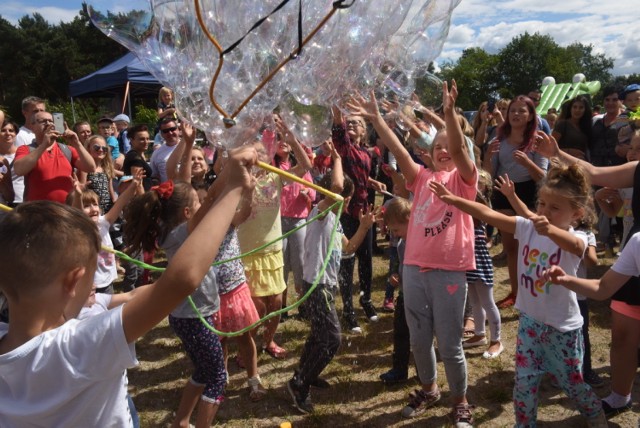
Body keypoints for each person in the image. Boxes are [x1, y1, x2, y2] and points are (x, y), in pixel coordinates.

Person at [0, 144, 257, 426]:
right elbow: (180, 280)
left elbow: (144, 292)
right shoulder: (79, 347)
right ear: (74, 281)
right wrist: (233, 187)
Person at [430, 162, 607, 428]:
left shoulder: (577, 238)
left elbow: (575, 246)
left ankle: (595, 414)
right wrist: (454, 199)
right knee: (524, 382)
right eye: (542, 204)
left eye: (554, 208)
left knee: (572, 383)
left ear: (576, 214)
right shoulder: (527, 227)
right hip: (530, 324)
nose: (544, 212)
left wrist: (550, 230)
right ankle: (524, 424)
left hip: (563, 328)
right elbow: (489, 215)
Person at [348, 81, 476, 426]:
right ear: (429, 152)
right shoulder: (419, 178)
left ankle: (460, 400)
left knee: (450, 344)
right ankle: (430, 388)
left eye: (450, 146)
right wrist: (376, 119)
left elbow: (462, 154)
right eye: (438, 146)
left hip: (449, 271)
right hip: (414, 269)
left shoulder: (464, 181)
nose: (444, 150)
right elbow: (400, 152)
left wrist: (448, 114)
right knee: (419, 339)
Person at [287, 140, 375, 414]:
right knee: (333, 338)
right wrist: (337, 157)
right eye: (347, 198)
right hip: (317, 286)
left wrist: (363, 227)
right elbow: (335, 188)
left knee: (319, 334)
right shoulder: (321, 213)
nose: (348, 202)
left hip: (326, 286)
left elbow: (348, 248)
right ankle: (300, 385)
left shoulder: (334, 221)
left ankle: (304, 374)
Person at [236, 119, 311, 360]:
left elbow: (306, 164)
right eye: (254, 153)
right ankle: (247, 347)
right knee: (255, 307)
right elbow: (222, 164)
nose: (259, 157)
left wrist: (291, 139)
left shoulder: (276, 177)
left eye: (262, 153)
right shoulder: (239, 180)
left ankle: (269, 341)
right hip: (249, 251)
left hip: (273, 250)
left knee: (276, 303)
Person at [483, 96, 548, 309]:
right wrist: (487, 158)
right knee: (511, 248)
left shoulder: (538, 139)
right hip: (503, 190)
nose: (516, 115)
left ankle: (533, 291)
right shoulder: (499, 138)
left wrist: (528, 163)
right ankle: (515, 293)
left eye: (521, 111)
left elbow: (543, 177)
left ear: (530, 116)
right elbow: (488, 174)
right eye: (513, 111)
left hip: (529, 193)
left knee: (528, 247)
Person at [330, 102, 387, 332]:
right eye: (349, 121)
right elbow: (339, 132)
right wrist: (337, 111)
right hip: (347, 211)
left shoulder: (366, 152)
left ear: (364, 131)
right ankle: (348, 310)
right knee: (347, 260)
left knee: (366, 260)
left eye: (357, 122)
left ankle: (366, 300)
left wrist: (374, 182)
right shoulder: (344, 148)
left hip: (365, 210)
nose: (352, 124)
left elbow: (360, 175)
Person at [69, 169, 143, 295]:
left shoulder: (103, 222)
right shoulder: (80, 229)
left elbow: (120, 203)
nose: (93, 209)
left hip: (108, 281)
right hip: (91, 286)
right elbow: (78, 214)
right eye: (86, 206)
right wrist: (78, 195)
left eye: (95, 204)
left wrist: (133, 185)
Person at [274, 126, 316, 318]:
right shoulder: (270, 167)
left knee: (299, 263)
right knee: (280, 263)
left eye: (286, 139)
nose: (282, 141)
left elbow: (313, 191)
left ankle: (303, 304)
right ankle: (281, 307)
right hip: (278, 221)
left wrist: (308, 194)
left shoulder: (299, 166)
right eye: (277, 139)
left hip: (299, 220)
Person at [461, 170, 502, 358]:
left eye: (478, 183)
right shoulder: (469, 207)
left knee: (487, 301)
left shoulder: (481, 206)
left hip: (480, 260)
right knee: (475, 301)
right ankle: (479, 334)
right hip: (469, 260)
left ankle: (497, 340)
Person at [13, 111, 96, 203]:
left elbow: (91, 167)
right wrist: (44, 145)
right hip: (37, 212)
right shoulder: (26, 149)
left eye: (51, 121)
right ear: (32, 127)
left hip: (66, 210)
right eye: (43, 121)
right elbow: (19, 170)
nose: (48, 124)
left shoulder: (68, 150)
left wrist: (77, 144)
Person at [378, 197, 413, 384]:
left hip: (419, 297)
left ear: (410, 220)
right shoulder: (400, 243)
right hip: (404, 295)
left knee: (420, 338)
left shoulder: (420, 243)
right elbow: (400, 265)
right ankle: (399, 369)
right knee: (400, 333)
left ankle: (425, 374)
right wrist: (396, 277)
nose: (395, 234)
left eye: (397, 230)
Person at [78, 135, 117, 215]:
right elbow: (82, 190)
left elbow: (110, 188)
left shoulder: (107, 167)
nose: (101, 150)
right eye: (97, 147)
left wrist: (115, 202)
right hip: (93, 209)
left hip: (107, 208)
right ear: (88, 148)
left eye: (104, 148)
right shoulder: (85, 168)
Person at [552, 95, 593, 160]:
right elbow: (551, 147)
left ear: (585, 110)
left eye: (581, 108)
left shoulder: (587, 127)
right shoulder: (562, 125)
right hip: (563, 165)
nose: (577, 110)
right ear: (570, 108)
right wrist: (570, 151)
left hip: (581, 165)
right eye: (574, 107)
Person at [123, 124, 154, 191]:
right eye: (142, 139)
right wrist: (144, 200)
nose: (146, 142)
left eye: (147, 139)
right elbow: (137, 184)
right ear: (132, 140)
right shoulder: (135, 157)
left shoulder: (138, 155)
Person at [0, 120, 24, 206]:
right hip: (2, 201)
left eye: (11, 130)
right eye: (3, 130)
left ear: (16, 134)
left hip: (21, 199)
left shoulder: (24, 153)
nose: (7, 133)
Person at [150, 118, 181, 183]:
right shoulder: (156, 153)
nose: (170, 133)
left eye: (172, 129)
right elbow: (154, 176)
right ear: (161, 134)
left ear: (178, 130)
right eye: (165, 131)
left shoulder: (190, 147)